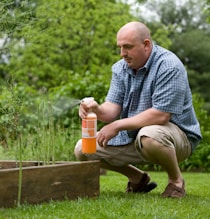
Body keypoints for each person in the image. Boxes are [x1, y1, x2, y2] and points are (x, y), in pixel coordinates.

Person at [74, 21, 202, 198]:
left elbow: (161, 114)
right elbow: (111, 109)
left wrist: (117, 126)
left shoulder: (169, 65)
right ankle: (138, 178)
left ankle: (176, 182)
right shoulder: (120, 68)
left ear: (146, 45)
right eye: (120, 47)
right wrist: (96, 109)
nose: (122, 54)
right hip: (137, 136)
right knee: (83, 149)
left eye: (127, 47)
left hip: (176, 138)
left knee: (149, 135)